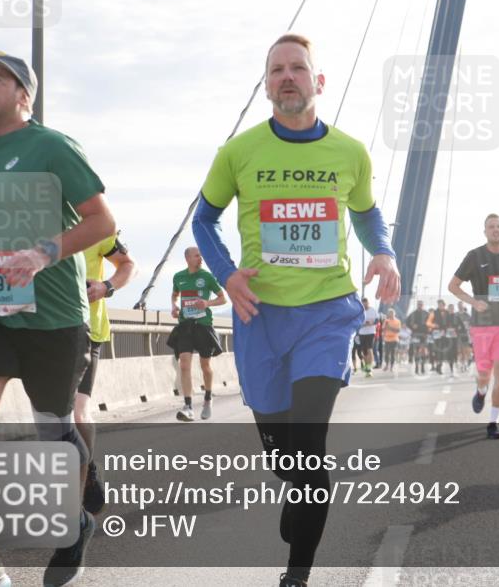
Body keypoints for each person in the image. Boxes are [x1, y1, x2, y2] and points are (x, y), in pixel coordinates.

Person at [192, 34, 400, 587]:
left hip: (327, 315)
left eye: (299, 68)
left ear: (318, 82)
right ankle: (295, 497)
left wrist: (383, 251)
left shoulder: (351, 152)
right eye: (277, 70)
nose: (288, 77)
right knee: (284, 460)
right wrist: (227, 273)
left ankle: (297, 576)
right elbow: (203, 221)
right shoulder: (238, 152)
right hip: (260, 317)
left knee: (308, 447)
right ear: (266, 86)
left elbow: (367, 215)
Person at [0, 51, 115, 587]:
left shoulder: (52, 147)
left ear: (24, 95)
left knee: (53, 431)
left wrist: (41, 253)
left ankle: (74, 524)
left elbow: (103, 219)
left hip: (53, 315)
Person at [448, 214, 499, 439]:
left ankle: (493, 422)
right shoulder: (474, 256)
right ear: (485, 232)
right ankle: (481, 391)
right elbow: (453, 286)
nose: (495, 230)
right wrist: (473, 302)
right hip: (482, 324)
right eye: (491, 227)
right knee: (484, 373)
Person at [79, 232, 136, 515]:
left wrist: (106, 287)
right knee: (52, 419)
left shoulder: (98, 225)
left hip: (88, 331)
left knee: (77, 414)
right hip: (44, 331)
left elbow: (127, 264)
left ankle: (87, 468)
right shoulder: (35, 221)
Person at [169, 246, 227, 421]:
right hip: (185, 325)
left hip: (203, 325)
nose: (200, 258)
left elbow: (222, 298)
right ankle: (188, 406)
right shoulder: (179, 277)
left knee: (205, 366)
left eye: (201, 255)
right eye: (196, 256)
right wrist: (174, 306)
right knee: (184, 364)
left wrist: (207, 303)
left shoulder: (207, 277)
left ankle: (208, 399)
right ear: (187, 258)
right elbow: (174, 295)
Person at [356, 297, 379, 376]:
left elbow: (377, 320)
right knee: (364, 351)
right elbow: (357, 321)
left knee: (369, 348)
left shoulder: (373, 310)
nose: (364, 305)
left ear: (368, 303)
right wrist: (364, 324)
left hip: (371, 332)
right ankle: (366, 366)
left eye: (366, 303)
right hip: (362, 333)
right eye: (363, 303)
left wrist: (371, 323)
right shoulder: (360, 311)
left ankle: (370, 366)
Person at [407, 300, 430, 375]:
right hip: (415, 334)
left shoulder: (426, 314)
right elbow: (407, 322)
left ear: (423, 305)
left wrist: (428, 332)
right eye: (418, 304)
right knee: (416, 351)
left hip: (424, 335)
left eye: (421, 304)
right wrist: (411, 326)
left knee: (423, 351)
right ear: (417, 305)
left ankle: (422, 367)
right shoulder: (413, 314)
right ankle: (416, 367)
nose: (420, 306)